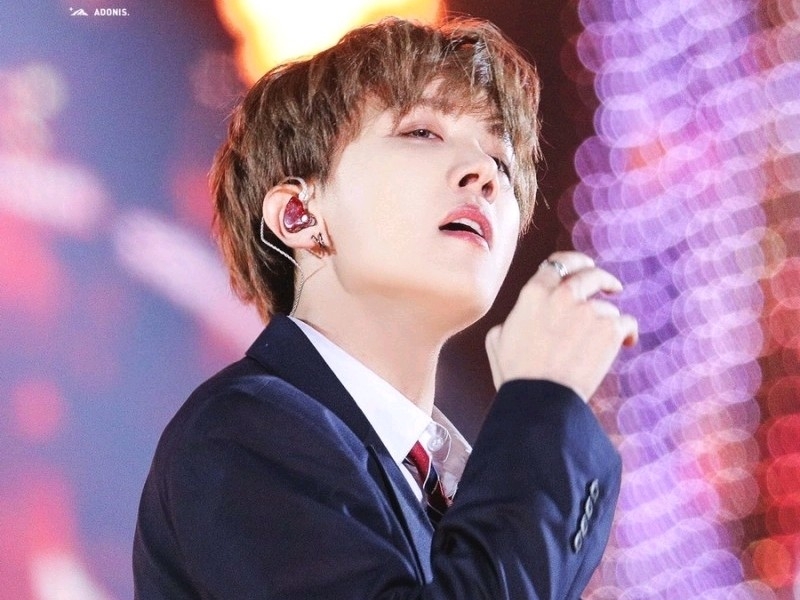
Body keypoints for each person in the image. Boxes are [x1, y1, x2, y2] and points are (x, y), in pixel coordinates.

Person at [133, 16, 638, 599]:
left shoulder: (462, 483)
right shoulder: (241, 433)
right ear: (299, 215)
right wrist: (541, 403)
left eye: (501, 161)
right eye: (422, 131)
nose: (486, 176)